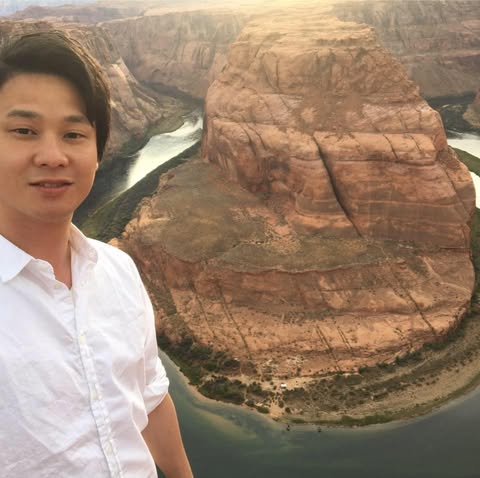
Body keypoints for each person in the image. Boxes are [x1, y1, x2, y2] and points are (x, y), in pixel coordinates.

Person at [0, 30, 193, 477]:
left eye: (73, 134)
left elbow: (150, 398)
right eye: (24, 131)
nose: (52, 156)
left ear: (98, 150)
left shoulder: (118, 269)